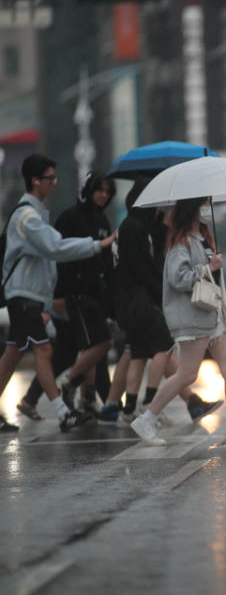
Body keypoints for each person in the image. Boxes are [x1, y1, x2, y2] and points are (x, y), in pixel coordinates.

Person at [130, 197, 226, 446]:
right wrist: (208, 267)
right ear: (193, 208)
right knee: (187, 374)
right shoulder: (181, 242)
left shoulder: (204, 239)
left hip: (216, 314)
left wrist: (211, 265)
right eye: (204, 204)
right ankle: (147, 418)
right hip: (194, 316)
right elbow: (178, 278)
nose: (208, 209)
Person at [0, 154, 116, 432]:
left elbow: (47, 259)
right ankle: (64, 413)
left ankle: (58, 409)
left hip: (30, 296)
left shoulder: (37, 213)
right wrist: (98, 245)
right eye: (50, 178)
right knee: (43, 349)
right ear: (35, 181)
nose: (54, 183)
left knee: (13, 354)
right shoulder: (28, 217)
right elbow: (56, 248)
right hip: (23, 295)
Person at [99, 179, 221, 425]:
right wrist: (158, 296)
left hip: (134, 300)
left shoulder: (140, 227)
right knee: (162, 348)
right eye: (155, 204)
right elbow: (145, 268)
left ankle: (128, 405)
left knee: (137, 351)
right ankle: (146, 405)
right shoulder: (136, 229)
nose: (160, 209)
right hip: (139, 301)